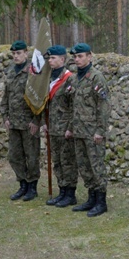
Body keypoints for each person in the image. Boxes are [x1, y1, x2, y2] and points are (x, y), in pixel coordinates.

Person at [66, 43, 111, 217]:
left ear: (89, 56)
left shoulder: (96, 78)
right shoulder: (75, 79)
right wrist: (70, 128)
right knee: (84, 167)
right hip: (79, 131)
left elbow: (104, 106)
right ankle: (91, 198)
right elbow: (73, 106)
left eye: (81, 56)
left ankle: (101, 201)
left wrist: (100, 130)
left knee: (96, 166)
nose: (77, 59)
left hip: (93, 133)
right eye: (75, 57)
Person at [1, 40, 41, 202]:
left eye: (19, 53)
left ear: (26, 53)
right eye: (14, 54)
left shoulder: (33, 71)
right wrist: (5, 117)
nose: (16, 56)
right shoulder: (10, 71)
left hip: (28, 123)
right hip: (14, 122)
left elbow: (39, 98)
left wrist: (36, 120)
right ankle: (22, 184)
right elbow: (6, 96)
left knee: (31, 156)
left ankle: (32, 186)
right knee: (14, 155)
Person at [42, 45, 79, 208]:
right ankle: (62, 191)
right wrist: (44, 122)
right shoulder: (49, 78)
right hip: (52, 127)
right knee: (57, 161)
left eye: (53, 58)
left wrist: (70, 127)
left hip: (64, 129)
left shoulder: (69, 79)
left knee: (67, 161)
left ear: (62, 59)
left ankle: (70, 194)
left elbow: (74, 106)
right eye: (49, 58)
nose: (50, 61)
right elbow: (45, 103)